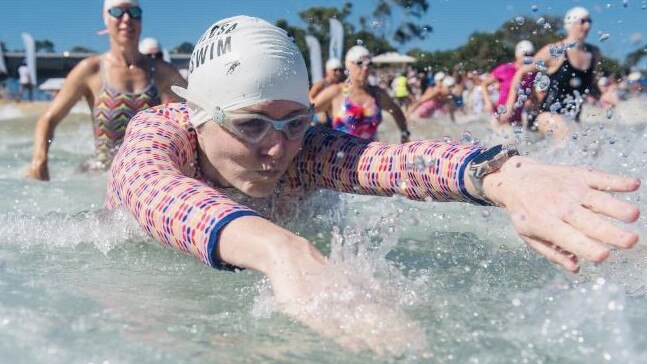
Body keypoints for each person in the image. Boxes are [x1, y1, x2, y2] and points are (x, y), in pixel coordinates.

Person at [106, 16, 641, 353]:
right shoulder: (160, 131)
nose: (278, 148)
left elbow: (392, 162)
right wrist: (280, 249)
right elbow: (152, 190)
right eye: (250, 125)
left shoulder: (302, 149)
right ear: (198, 114)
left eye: (295, 122)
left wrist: (503, 177)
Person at [27, 0, 186, 181]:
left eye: (134, 12)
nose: (126, 19)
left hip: (145, 175)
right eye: (117, 12)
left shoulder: (161, 72)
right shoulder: (91, 70)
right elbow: (49, 119)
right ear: (105, 18)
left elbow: (196, 114)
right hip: (100, 175)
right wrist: (39, 159)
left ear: (141, 20)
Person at [501, 7, 601, 141]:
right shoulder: (555, 51)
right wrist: (509, 106)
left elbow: (592, 86)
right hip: (546, 116)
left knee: (594, 145)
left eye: (589, 21)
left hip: (573, 120)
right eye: (582, 21)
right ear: (570, 25)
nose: (587, 25)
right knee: (567, 139)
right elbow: (521, 72)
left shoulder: (594, 53)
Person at [313, 45, 410, 142]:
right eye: (359, 63)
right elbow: (305, 112)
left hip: (371, 155)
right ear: (348, 65)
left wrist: (404, 132)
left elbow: (395, 110)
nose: (365, 68)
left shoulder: (376, 94)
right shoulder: (336, 92)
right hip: (342, 155)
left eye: (369, 64)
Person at [482, 40, 536, 129]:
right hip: (500, 115)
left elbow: (532, 93)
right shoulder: (506, 69)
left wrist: (530, 100)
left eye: (531, 55)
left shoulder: (532, 74)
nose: (528, 57)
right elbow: (484, 84)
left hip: (518, 118)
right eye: (525, 54)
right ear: (517, 55)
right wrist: (487, 101)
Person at [308, 58, 344, 127]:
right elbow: (309, 96)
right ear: (328, 71)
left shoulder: (339, 85)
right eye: (335, 70)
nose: (338, 72)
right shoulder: (321, 84)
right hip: (319, 120)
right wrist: (319, 110)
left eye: (340, 70)